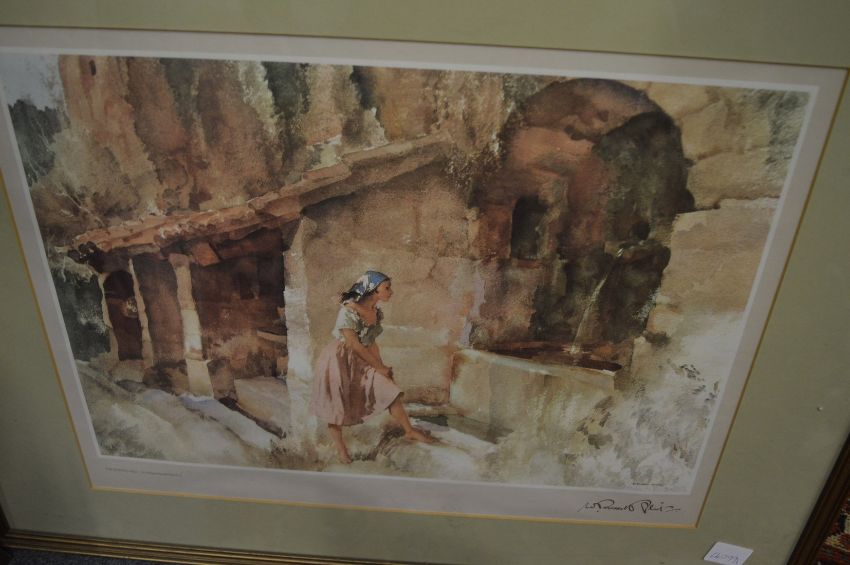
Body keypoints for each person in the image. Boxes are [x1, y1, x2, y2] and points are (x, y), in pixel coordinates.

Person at [310, 270, 435, 464]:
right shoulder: (348, 311)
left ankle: (409, 431)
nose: (391, 292)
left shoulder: (376, 312)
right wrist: (378, 366)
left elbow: (370, 343)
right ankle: (341, 450)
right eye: (387, 288)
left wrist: (381, 367)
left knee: (390, 391)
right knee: (336, 404)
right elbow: (354, 344)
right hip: (338, 360)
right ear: (373, 290)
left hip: (363, 358)